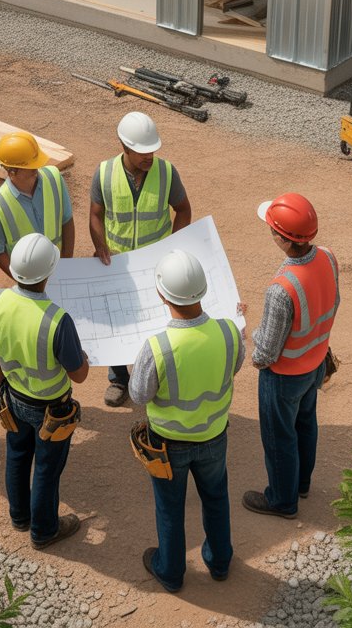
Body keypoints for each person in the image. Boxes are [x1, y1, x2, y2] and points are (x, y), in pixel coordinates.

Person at [129, 249, 244, 594]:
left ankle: (171, 571)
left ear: (162, 295)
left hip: (168, 444)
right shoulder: (228, 331)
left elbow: (138, 395)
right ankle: (220, 561)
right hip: (214, 436)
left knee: (169, 506)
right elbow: (234, 366)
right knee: (216, 497)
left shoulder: (158, 346)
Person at [0, 232, 89, 548]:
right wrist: (83, 358)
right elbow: (78, 375)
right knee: (46, 468)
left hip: (12, 397)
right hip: (51, 408)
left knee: (17, 454)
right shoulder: (57, 320)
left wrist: (3, 381)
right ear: (49, 273)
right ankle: (43, 531)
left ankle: (20, 516)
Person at [242, 193, 340, 519]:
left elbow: (266, 353)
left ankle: (282, 500)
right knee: (305, 423)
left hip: (284, 376)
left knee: (279, 437)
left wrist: (248, 340)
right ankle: (301, 484)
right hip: (315, 362)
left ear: (282, 240)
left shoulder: (282, 288)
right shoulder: (328, 257)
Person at [90, 111, 192, 406]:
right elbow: (95, 215)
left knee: (156, 325)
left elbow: (183, 210)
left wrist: (174, 244)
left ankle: (155, 379)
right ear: (124, 146)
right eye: (142, 151)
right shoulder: (104, 173)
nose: (149, 156)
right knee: (118, 322)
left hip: (155, 266)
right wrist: (100, 245)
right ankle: (119, 379)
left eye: (152, 150)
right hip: (117, 264)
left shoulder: (167, 173)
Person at [0, 130, 75, 277]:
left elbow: (67, 220)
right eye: (30, 166)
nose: (36, 169)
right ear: (12, 171)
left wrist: (66, 262)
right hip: (30, 278)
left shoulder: (54, 178)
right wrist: (22, 280)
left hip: (59, 267)